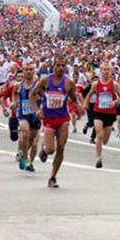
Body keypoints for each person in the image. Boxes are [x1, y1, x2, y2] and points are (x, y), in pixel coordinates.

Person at [30, 55, 82, 188]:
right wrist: (37, 110)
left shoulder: (69, 82)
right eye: (58, 65)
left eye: (62, 65)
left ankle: (52, 177)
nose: (60, 68)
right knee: (51, 149)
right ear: (53, 66)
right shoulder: (45, 80)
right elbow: (32, 95)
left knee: (61, 148)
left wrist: (78, 108)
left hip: (63, 118)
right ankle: (44, 149)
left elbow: (74, 99)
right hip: (48, 118)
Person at [83, 63, 120, 168]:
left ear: (110, 72)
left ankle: (100, 146)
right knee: (99, 135)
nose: (106, 71)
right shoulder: (96, 84)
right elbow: (90, 93)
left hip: (110, 114)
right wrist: (85, 103)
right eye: (104, 69)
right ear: (100, 71)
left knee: (105, 141)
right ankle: (98, 158)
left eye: (108, 70)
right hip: (98, 112)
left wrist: (115, 101)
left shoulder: (114, 84)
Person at [12, 63, 40, 172]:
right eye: (26, 69)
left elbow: (44, 96)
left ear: (34, 71)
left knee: (32, 139)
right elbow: (14, 94)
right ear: (23, 71)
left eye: (30, 69)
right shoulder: (18, 85)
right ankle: (26, 160)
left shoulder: (38, 85)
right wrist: (14, 102)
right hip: (23, 113)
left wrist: (39, 98)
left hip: (34, 114)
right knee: (24, 133)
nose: (28, 71)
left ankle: (24, 155)